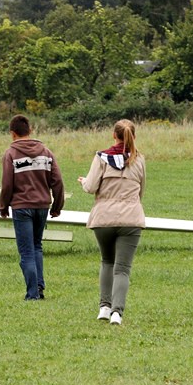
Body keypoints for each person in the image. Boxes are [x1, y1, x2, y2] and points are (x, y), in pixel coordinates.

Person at [77, 119, 145, 325]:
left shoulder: (101, 158)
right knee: (122, 268)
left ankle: (104, 308)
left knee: (107, 261)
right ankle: (118, 312)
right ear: (133, 136)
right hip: (131, 218)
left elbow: (90, 187)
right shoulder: (139, 159)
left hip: (104, 218)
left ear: (113, 135)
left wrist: (83, 182)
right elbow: (141, 190)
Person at [0, 115, 64, 301]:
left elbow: (7, 185)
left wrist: (3, 206)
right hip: (42, 206)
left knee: (26, 251)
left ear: (12, 134)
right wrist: (57, 205)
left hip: (21, 207)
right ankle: (39, 286)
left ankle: (32, 294)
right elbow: (57, 181)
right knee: (36, 247)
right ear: (30, 130)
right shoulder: (46, 152)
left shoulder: (10, 154)